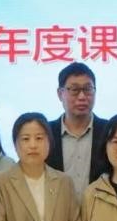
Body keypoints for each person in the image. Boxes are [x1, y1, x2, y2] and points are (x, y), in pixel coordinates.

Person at [46, 62, 110, 198]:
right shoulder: (45, 133)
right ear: (60, 94)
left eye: (88, 89)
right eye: (74, 90)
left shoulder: (110, 131)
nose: (82, 97)